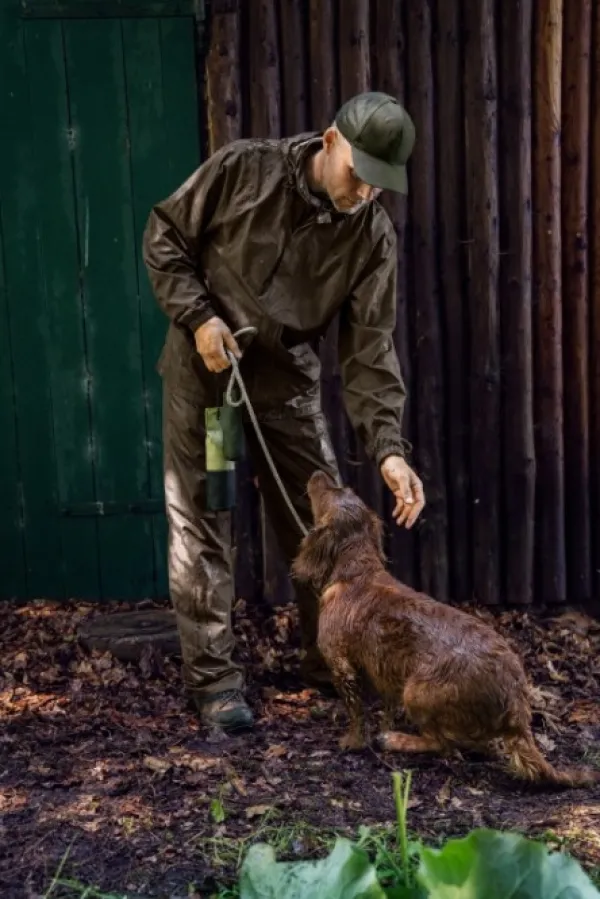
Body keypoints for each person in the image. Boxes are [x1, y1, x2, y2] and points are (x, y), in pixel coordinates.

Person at [142, 91, 426, 732]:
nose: (365, 194)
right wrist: (198, 316)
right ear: (330, 142)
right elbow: (166, 235)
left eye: (382, 186)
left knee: (322, 529)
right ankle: (215, 684)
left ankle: (331, 662)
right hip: (207, 373)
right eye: (360, 175)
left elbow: (370, 351)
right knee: (203, 519)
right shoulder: (244, 170)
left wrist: (388, 448)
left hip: (286, 385)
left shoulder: (372, 238)